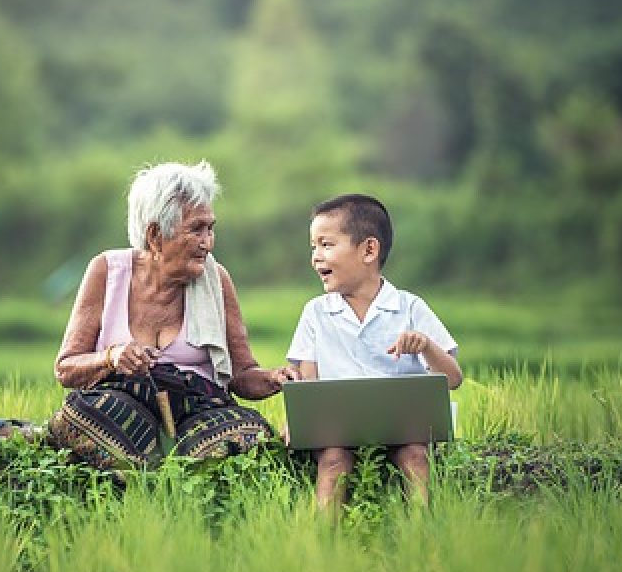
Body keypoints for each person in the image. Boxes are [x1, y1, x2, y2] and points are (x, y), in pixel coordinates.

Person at [50, 161, 296, 474]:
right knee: (87, 415)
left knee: (249, 436)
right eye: (197, 229)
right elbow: (66, 369)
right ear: (155, 234)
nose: (208, 242)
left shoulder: (216, 280)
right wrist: (111, 358)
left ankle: (157, 469)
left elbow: (240, 373)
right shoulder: (107, 271)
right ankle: (156, 470)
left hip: (197, 411)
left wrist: (273, 378)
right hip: (125, 409)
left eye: (211, 228)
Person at [286, 193, 463, 513]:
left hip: (405, 427)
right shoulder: (316, 313)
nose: (316, 257)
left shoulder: (409, 308)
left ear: (369, 249)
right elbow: (307, 381)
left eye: (326, 245)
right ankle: (323, 541)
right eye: (313, 247)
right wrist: (295, 419)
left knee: (414, 457)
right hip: (338, 429)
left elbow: (452, 378)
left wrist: (425, 345)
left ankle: (423, 533)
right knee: (332, 460)